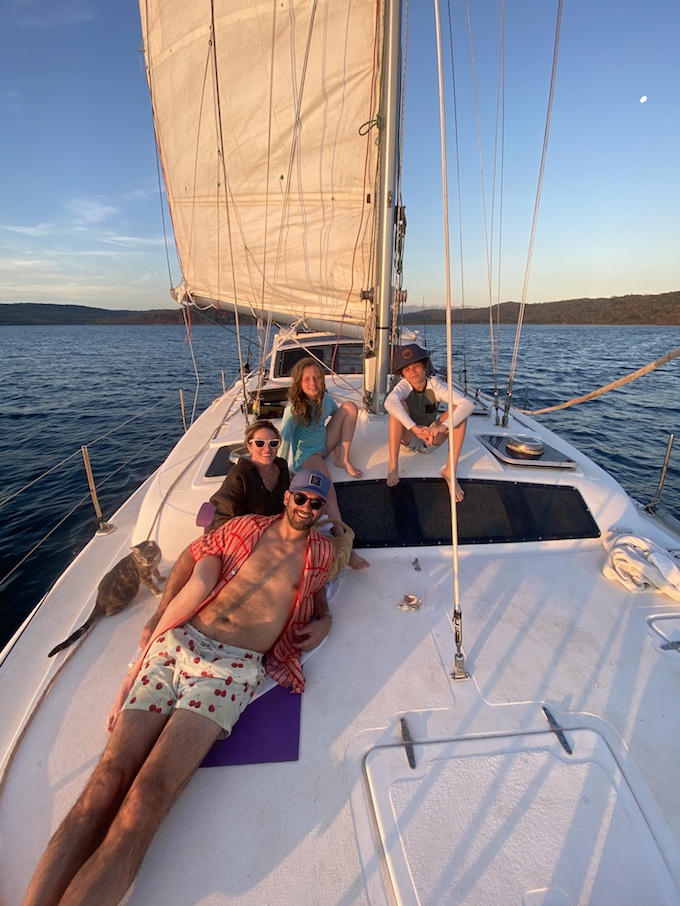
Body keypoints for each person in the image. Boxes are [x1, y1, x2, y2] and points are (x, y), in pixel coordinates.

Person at [23, 470, 336, 906]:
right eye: (300, 497)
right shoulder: (243, 526)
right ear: (287, 496)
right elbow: (194, 555)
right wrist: (161, 612)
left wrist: (323, 624)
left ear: (321, 511)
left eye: (315, 503)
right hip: (178, 644)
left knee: (144, 799)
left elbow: (318, 603)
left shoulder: (321, 552)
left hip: (230, 671)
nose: (306, 507)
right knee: (105, 783)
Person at [279, 357, 369, 570]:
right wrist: (285, 472)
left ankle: (343, 458)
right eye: (307, 379)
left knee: (350, 407)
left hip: (324, 446)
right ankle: (346, 548)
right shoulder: (293, 411)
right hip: (310, 457)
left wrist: (337, 442)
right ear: (299, 383)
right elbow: (284, 441)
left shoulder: (324, 400)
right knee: (329, 494)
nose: (313, 383)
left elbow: (338, 415)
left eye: (317, 377)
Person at [384, 343, 474, 501]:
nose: (412, 372)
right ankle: (393, 466)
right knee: (397, 409)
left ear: (425, 366)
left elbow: (467, 404)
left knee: (459, 413)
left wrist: (441, 428)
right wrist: (414, 428)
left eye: (416, 366)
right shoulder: (403, 386)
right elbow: (389, 403)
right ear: (402, 374)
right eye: (407, 369)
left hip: (432, 436)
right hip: (409, 437)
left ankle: (450, 471)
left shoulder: (436, 385)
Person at [208, 419, 289, 530]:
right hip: (247, 534)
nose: (267, 449)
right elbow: (225, 520)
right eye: (260, 443)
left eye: (273, 443)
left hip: (276, 530)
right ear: (249, 446)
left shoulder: (282, 467)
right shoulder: (239, 475)